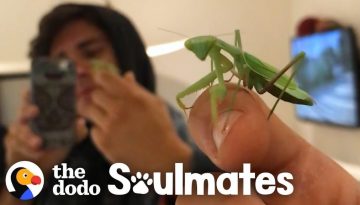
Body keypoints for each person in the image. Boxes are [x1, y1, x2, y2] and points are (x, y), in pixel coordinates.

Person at [0, 3, 214, 205]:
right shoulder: (44, 140)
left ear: (126, 55)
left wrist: (174, 165)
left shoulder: (174, 129)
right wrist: (24, 173)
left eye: (91, 52)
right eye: (61, 64)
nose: (77, 70)